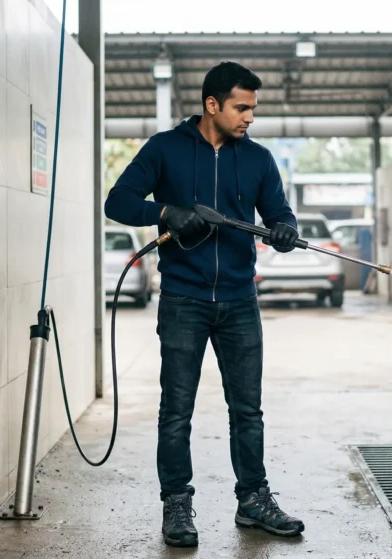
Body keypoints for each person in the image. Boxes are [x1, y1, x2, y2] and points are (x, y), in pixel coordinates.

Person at [104, 61, 305, 548]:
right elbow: (118, 202)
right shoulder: (164, 149)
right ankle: (177, 504)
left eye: (253, 109)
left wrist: (284, 231)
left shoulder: (257, 159)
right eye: (241, 107)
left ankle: (253, 500)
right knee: (176, 410)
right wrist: (165, 211)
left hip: (240, 301)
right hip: (182, 299)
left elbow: (279, 214)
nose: (249, 117)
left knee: (248, 411)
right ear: (211, 105)